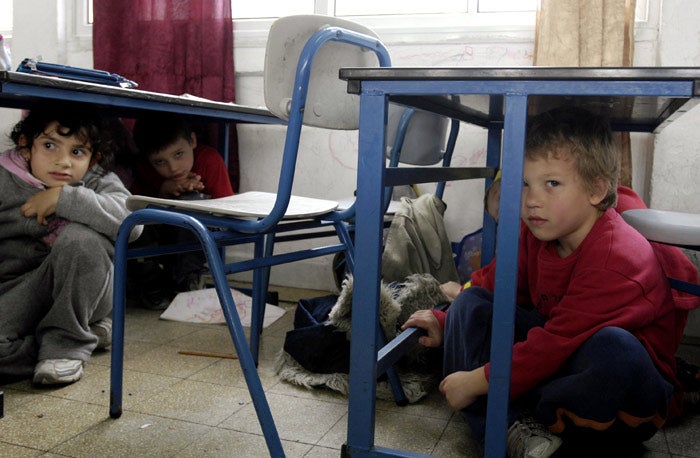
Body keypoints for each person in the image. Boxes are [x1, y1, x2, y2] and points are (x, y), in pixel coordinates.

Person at [402, 107, 692, 457]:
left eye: (551, 183)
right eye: (525, 183)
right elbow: (496, 287)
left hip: (621, 395)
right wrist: (446, 320)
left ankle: (513, 417)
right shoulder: (537, 232)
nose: (532, 200)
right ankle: (515, 430)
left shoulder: (618, 257)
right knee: (471, 301)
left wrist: (478, 379)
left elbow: (555, 343)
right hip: (557, 363)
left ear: (597, 189)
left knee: (614, 348)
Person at [0, 101, 142, 385]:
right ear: (26, 146)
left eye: (78, 152)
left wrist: (64, 198)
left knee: (82, 238)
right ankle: (79, 335)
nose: (63, 161)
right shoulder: (4, 177)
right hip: (21, 290)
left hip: (87, 292)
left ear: (93, 158)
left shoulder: (97, 178)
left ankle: (67, 345)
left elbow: (133, 223)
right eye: (50, 146)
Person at [128, 113, 234, 309]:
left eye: (178, 154)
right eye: (160, 162)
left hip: (199, 233)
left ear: (192, 141)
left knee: (190, 205)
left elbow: (227, 210)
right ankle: (152, 284)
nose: (173, 168)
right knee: (135, 223)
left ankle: (188, 280)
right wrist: (164, 189)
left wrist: (195, 196)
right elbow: (133, 203)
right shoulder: (143, 167)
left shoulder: (210, 160)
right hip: (159, 232)